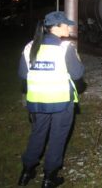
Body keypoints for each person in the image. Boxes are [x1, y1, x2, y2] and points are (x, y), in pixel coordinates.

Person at [17, 11, 84, 188]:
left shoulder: (30, 47)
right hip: (61, 102)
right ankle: (49, 177)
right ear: (56, 27)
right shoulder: (65, 48)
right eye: (66, 24)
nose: (70, 27)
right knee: (57, 138)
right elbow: (78, 74)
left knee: (37, 135)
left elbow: (23, 74)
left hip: (37, 102)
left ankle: (27, 171)